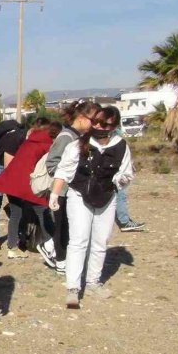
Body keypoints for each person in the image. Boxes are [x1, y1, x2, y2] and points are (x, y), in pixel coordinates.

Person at [49, 106, 133, 309]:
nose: (98, 126)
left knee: (100, 240)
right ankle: (72, 288)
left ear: (113, 126)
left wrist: (118, 180)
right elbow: (64, 170)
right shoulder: (77, 145)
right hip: (79, 195)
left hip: (106, 197)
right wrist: (54, 193)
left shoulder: (121, 146)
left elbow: (127, 174)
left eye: (104, 124)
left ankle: (94, 281)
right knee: (78, 240)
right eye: (96, 122)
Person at [0, 121, 61, 259]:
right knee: (42, 210)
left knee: (16, 212)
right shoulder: (44, 144)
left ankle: (12, 246)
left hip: (12, 180)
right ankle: (51, 244)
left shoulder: (31, 140)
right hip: (19, 181)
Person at [44, 101, 101, 274]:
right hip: (62, 191)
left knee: (70, 227)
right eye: (94, 120)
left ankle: (62, 255)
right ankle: (59, 260)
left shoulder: (79, 137)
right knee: (62, 227)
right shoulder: (67, 137)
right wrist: (67, 177)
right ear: (82, 118)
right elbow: (52, 163)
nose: (97, 125)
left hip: (73, 191)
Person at [0, 119, 26, 250]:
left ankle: (14, 237)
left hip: (11, 167)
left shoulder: (29, 140)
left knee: (16, 203)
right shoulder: (17, 136)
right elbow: (9, 165)